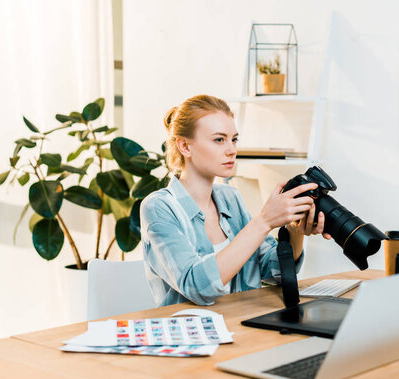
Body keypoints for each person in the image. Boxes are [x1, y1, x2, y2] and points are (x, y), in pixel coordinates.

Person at [140, 94, 330, 306]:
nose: (231, 150)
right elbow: (196, 287)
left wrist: (295, 232)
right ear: (185, 146)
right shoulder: (159, 207)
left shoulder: (230, 197)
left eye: (234, 139)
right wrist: (263, 222)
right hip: (190, 332)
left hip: (240, 324)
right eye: (219, 140)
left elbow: (272, 270)